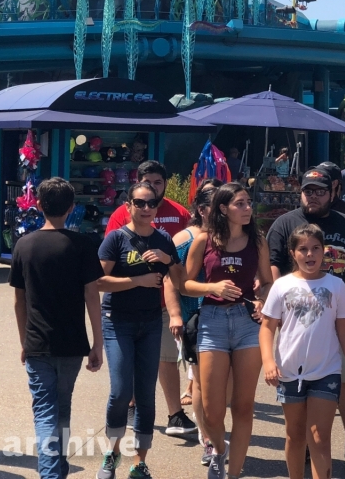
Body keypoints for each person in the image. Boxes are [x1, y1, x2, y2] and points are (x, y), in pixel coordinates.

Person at [267, 167, 345, 473]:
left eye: (320, 191)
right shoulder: (285, 223)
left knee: (343, 384)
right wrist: (279, 295)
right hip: (297, 319)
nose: (313, 196)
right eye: (308, 191)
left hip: (338, 310)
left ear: (333, 192)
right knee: (297, 427)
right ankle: (304, 452)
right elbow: (274, 264)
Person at [10, 178, 104, 479]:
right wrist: (97, 342)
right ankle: (57, 468)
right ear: (72, 208)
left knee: (45, 411)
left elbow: (19, 300)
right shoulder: (82, 245)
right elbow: (92, 295)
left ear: (38, 205)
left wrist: (24, 339)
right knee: (62, 407)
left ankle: (53, 472)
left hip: (38, 340)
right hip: (72, 342)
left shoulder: (24, 245)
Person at [182, 182, 273, 479]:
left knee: (244, 405)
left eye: (249, 203)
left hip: (248, 322)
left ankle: (233, 472)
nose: (248, 209)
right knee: (211, 408)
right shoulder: (204, 240)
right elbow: (185, 283)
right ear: (223, 208)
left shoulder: (257, 240)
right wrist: (213, 286)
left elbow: (267, 279)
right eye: (240, 204)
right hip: (212, 320)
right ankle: (219, 450)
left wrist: (263, 300)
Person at [95, 182, 184, 479]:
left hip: (150, 322)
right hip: (117, 320)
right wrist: (138, 281)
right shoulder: (116, 239)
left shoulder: (163, 240)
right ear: (128, 206)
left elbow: (179, 279)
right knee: (121, 391)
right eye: (139, 203)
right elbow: (98, 282)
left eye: (151, 203)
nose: (146, 208)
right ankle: (113, 451)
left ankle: (139, 461)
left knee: (146, 394)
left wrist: (167, 259)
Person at [104, 160, 195, 439]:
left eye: (157, 184)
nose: (147, 205)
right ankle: (125, 415)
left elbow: (180, 266)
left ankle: (174, 414)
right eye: (146, 184)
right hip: (122, 310)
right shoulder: (121, 218)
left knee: (167, 360)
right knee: (127, 371)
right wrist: (137, 280)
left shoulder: (178, 214)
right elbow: (103, 272)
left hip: (163, 306)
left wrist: (176, 306)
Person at [261, 224, 345, 479]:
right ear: (292, 253)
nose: (309, 254)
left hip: (326, 371)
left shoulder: (336, 286)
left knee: (319, 436)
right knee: (295, 435)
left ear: (324, 251)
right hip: (289, 371)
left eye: (315, 248)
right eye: (303, 249)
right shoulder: (281, 286)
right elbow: (267, 328)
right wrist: (268, 361)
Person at [171, 179, 222, 466]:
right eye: (217, 206)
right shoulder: (186, 239)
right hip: (195, 319)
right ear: (202, 210)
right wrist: (176, 315)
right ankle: (207, 438)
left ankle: (215, 432)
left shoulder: (236, 236)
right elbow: (172, 279)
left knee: (222, 387)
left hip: (231, 319)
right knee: (202, 383)